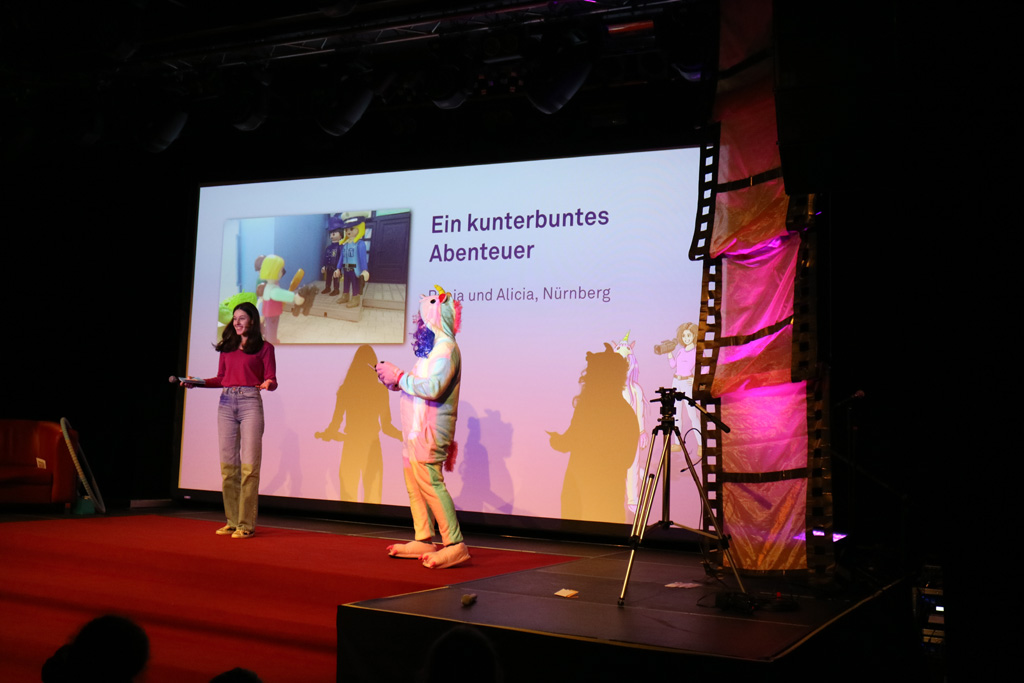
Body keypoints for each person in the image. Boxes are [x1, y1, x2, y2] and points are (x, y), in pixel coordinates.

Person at [375, 285, 470, 569]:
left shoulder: (446, 349)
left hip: (430, 431)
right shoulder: (432, 351)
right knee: (414, 484)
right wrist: (396, 382)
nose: (419, 323)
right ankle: (424, 537)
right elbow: (419, 386)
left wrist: (399, 376)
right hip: (414, 431)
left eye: (422, 317)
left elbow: (434, 387)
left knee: (430, 483)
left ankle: (454, 544)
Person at [184, 301, 277, 538]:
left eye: (241, 318)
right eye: (234, 318)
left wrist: (268, 383)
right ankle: (232, 521)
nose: (236, 322)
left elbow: (272, 378)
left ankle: (246, 525)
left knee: (249, 468)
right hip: (226, 404)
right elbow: (221, 378)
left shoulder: (265, 348)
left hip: (250, 402)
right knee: (228, 469)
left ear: (252, 321)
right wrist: (198, 382)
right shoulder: (228, 347)